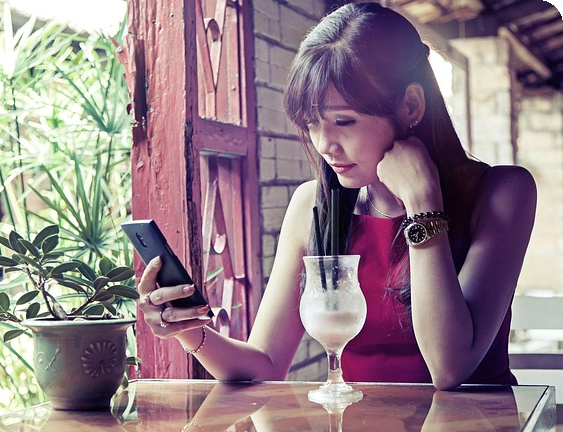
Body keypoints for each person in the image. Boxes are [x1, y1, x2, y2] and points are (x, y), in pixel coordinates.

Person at [136, 1, 536, 390]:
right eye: (312, 123)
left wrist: (422, 203)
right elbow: (265, 364)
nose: (325, 145)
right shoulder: (313, 205)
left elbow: (450, 369)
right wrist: (187, 329)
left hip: (477, 427)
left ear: (411, 105)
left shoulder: (502, 193)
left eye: (343, 121)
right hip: (354, 428)